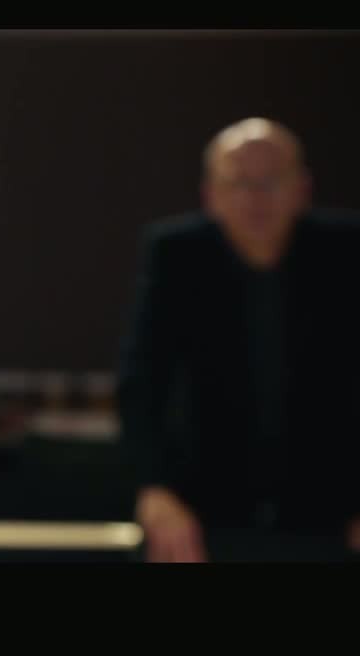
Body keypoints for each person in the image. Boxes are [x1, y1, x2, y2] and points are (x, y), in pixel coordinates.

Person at [118, 117, 360, 562]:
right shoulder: (176, 253)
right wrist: (154, 489)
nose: (255, 198)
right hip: (204, 506)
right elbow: (143, 380)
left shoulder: (347, 251)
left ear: (302, 189)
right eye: (238, 182)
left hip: (332, 508)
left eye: (271, 181)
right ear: (210, 194)